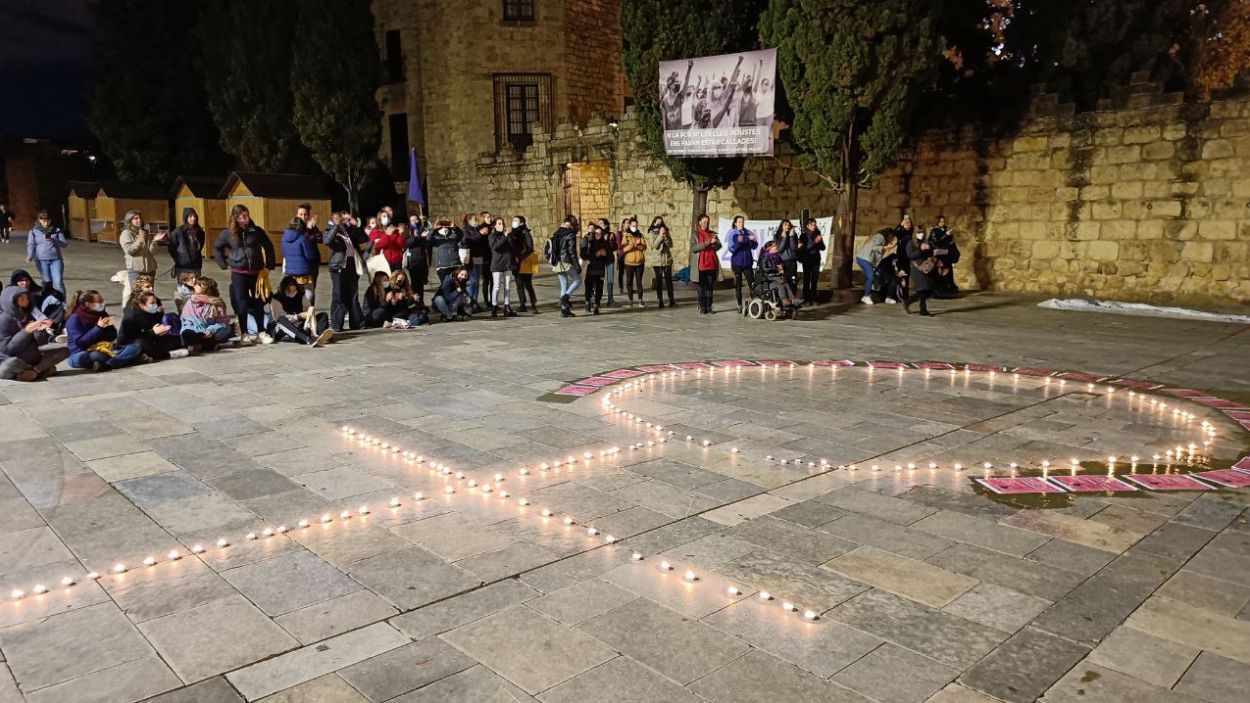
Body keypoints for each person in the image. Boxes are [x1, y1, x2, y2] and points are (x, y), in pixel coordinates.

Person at [214, 204, 276, 345]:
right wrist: (224, 264)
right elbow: (217, 248)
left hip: (257, 273)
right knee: (241, 304)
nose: (246, 218)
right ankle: (244, 334)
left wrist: (269, 267)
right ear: (235, 217)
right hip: (239, 273)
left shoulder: (256, 231)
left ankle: (261, 333)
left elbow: (269, 246)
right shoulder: (228, 233)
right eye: (242, 216)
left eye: (247, 215)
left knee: (258, 303)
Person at [64, 290, 144, 372]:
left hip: (104, 348)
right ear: (88, 304)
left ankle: (108, 364)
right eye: (99, 302)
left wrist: (109, 327)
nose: (102, 303)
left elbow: (111, 337)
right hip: (81, 353)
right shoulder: (74, 319)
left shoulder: (101, 314)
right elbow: (81, 342)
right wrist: (98, 328)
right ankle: (123, 359)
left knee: (135, 347)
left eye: (102, 301)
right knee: (97, 355)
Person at [0, 285, 67, 381]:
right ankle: (40, 371)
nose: (26, 299)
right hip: (13, 361)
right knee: (11, 363)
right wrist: (26, 332)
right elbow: (7, 349)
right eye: (22, 298)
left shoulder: (27, 315)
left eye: (26, 296)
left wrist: (42, 331)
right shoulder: (3, 320)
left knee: (64, 351)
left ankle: (34, 372)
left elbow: (39, 344)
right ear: (11, 301)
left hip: (33, 359)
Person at [324, 211, 367, 332]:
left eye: (346, 219)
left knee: (353, 295)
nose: (343, 221)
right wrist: (336, 227)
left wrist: (355, 226)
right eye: (340, 219)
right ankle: (337, 324)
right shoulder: (330, 229)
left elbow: (364, 239)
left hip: (351, 266)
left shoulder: (349, 231)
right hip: (338, 267)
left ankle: (357, 322)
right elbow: (327, 241)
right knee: (338, 295)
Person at [119, 290, 188, 360]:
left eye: (155, 303)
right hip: (131, 343)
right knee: (141, 344)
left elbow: (156, 325)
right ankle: (167, 354)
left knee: (178, 339)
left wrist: (161, 321)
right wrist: (153, 332)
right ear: (142, 305)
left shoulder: (152, 311)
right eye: (152, 303)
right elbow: (129, 337)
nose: (155, 305)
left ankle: (146, 355)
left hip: (152, 339)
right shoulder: (132, 316)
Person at [269, 276, 333, 346]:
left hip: (299, 325)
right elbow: (278, 318)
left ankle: (320, 336)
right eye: (289, 290)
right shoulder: (276, 299)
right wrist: (298, 316)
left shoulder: (300, 295)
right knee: (282, 320)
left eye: (294, 289)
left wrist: (309, 316)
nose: (293, 292)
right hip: (281, 329)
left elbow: (308, 310)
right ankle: (306, 339)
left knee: (323, 315)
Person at [118, 209, 164, 304]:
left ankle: (148, 316)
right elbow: (130, 251)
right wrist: (140, 240)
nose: (139, 220)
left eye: (140, 218)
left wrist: (155, 241)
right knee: (138, 296)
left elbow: (151, 251)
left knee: (149, 296)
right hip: (136, 270)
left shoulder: (143, 232)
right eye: (136, 218)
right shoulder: (126, 234)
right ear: (129, 220)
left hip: (150, 270)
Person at [179, 276, 234, 352]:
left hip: (210, 332)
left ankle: (201, 345)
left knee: (228, 330)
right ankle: (211, 345)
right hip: (194, 330)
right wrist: (196, 329)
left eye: (198, 285)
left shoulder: (217, 303)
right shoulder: (191, 301)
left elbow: (221, 322)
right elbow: (186, 321)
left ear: (205, 288)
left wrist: (211, 330)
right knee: (186, 334)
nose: (195, 285)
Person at [9, 269, 65, 334]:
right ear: (16, 283)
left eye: (26, 280)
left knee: (60, 306)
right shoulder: (11, 294)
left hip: (42, 316)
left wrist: (52, 291)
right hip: (25, 321)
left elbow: (60, 298)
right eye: (21, 281)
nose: (25, 283)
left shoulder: (35, 290)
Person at [26, 210, 69, 295]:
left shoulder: (57, 230)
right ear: (39, 220)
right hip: (41, 260)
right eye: (44, 221)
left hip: (56, 259)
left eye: (48, 220)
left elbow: (64, 245)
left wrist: (54, 240)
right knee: (47, 281)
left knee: (58, 281)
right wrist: (30, 255)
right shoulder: (33, 231)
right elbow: (31, 244)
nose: (46, 223)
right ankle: (49, 301)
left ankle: (62, 302)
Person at [281, 216, 319, 303]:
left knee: (292, 294)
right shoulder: (303, 238)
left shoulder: (284, 238)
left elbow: (284, 254)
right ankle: (307, 311)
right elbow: (310, 255)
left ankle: (295, 313)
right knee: (309, 293)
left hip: (290, 272)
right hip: (304, 272)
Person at [690, 214, 722, 314]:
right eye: (704, 222)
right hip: (700, 265)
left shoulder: (712, 234)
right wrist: (707, 243)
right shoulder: (695, 234)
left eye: (707, 222)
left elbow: (719, 246)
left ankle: (709, 306)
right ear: (699, 222)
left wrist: (715, 243)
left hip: (711, 264)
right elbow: (693, 248)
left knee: (709, 286)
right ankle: (702, 306)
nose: (706, 223)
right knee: (701, 287)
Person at [550, 216, 581, 318]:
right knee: (578, 280)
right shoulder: (570, 234)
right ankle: (565, 298)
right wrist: (577, 265)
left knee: (564, 285)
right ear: (570, 225)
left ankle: (564, 310)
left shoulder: (557, 233)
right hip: (566, 262)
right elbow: (572, 252)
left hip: (557, 262)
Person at [855, 228, 896, 305]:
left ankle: (870, 295)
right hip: (863, 258)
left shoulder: (883, 241)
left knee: (873, 277)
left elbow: (877, 257)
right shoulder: (879, 237)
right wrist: (885, 247)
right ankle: (866, 296)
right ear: (889, 235)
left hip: (866, 260)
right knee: (870, 277)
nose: (892, 239)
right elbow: (874, 247)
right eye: (892, 237)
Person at [757, 238, 799, 313]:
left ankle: (793, 300)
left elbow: (782, 266)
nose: (777, 247)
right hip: (769, 279)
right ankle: (784, 301)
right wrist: (776, 268)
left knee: (786, 283)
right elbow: (764, 269)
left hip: (777, 276)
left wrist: (782, 268)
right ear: (769, 248)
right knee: (780, 285)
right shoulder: (765, 258)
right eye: (775, 246)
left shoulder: (777, 257)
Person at [488, 217, 519, 318]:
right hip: (497, 264)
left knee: (507, 287)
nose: (501, 225)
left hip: (507, 264)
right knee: (496, 287)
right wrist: (504, 237)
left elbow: (513, 247)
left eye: (502, 223)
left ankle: (507, 307)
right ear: (495, 226)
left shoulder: (506, 235)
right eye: (499, 223)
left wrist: (511, 236)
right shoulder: (492, 236)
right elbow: (495, 247)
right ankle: (494, 307)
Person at [168, 208, 206, 286]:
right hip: (183, 266)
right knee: (183, 290)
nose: (193, 218)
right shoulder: (178, 232)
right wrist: (179, 259)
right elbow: (171, 248)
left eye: (194, 216)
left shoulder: (200, 232)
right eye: (190, 216)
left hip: (196, 265)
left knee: (195, 287)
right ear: (185, 218)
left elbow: (200, 246)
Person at [580, 225, 613, 315]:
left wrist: (606, 254)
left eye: (600, 233)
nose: (598, 234)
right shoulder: (588, 242)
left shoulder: (605, 243)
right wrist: (596, 254)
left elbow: (610, 257)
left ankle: (596, 305)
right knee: (588, 287)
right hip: (589, 268)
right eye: (596, 233)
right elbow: (583, 255)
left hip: (600, 269)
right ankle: (587, 302)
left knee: (599, 288)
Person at [905, 225, 937, 317]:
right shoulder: (911, 243)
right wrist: (920, 249)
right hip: (917, 268)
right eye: (918, 232)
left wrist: (929, 248)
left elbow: (931, 253)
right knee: (922, 289)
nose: (920, 234)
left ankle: (908, 302)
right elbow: (910, 256)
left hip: (926, 267)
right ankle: (923, 310)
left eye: (922, 232)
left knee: (927, 290)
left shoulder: (925, 241)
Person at [726, 215, 755, 311]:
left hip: (747, 262)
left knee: (752, 284)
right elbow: (731, 249)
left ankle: (755, 303)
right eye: (739, 222)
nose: (741, 223)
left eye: (742, 221)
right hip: (737, 263)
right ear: (735, 223)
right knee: (738, 285)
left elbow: (754, 246)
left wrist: (753, 240)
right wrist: (739, 242)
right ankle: (739, 305)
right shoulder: (732, 233)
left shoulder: (748, 232)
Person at [512, 216, 539, 313]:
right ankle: (522, 304)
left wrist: (521, 257)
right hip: (516, 262)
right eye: (513, 220)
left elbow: (530, 248)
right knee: (519, 284)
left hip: (525, 261)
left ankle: (533, 304)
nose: (514, 222)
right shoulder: (512, 233)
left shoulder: (525, 233)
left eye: (516, 221)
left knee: (528, 284)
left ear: (522, 223)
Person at [294, 202, 321, 301]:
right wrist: (309, 229)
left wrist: (313, 228)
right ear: (297, 215)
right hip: (300, 263)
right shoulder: (295, 227)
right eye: (300, 214)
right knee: (300, 290)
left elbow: (320, 239)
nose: (303, 216)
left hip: (313, 263)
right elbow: (299, 241)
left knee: (312, 290)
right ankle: (300, 313)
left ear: (308, 215)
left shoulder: (311, 226)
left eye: (305, 214)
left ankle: (311, 313)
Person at [930, 216, 960, 299]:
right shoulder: (934, 231)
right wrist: (945, 235)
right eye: (941, 222)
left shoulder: (946, 228)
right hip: (939, 255)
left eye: (943, 221)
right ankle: (939, 291)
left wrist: (950, 237)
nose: (942, 223)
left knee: (949, 271)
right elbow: (936, 242)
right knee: (940, 272)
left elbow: (950, 240)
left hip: (947, 255)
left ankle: (949, 288)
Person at [797, 218, 826, 305]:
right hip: (807, 259)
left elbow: (823, 248)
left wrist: (820, 242)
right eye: (811, 225)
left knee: (814, 280)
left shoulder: (817, 233)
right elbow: (805, 248)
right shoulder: (803, 236)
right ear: (807, 226)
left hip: (816, 260)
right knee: (807, 279)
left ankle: (814, 298)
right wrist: (814, 242)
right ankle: (806, 299)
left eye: (815, 224)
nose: (814, 226)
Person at [620, 218, 647, 307]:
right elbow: (623, 248)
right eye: (633, 226)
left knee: (639, 282)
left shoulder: (640, 235)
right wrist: (632, 245)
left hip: (639, 262)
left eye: (636, 226)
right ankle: (630, 300)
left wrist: (639, 245)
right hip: (629, 262)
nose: (634, 227)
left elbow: (644, 247)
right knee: (629, 282)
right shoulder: (626, 235)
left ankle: (640, 300)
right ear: (630, 226)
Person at [648, 223, 676, 308]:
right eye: (657, 222)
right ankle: (660, 300)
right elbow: (655, 246)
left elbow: (670, 245)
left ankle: (671, 300)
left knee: (669, 281)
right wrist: (660, 236)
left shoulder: (666, 233)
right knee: (659, 281)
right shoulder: (652, 233)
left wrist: (665, 237)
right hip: (657, 261)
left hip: (666, 260)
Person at [403, 216, 430, 299]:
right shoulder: (407, 229)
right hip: (412, 260)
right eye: (412, 220)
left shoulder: (422, 228)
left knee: (421, 283)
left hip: (421, 259)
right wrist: (419, 237)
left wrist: (425, 237)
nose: (414, 221)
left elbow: (427, 244)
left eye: (416, 219)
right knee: (414, 282)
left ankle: (421, 301)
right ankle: (415, 301)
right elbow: (408, 243)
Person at [430, 218, 463, 283]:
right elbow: (428, 238)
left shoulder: (453, 236)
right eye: (442, 224)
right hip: (442, 267)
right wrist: (434, 229)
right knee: (446, 286)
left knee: (457, 286)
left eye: (446, 224)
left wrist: (454, 227)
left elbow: (461, 234)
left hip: (455, 265)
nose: (444, 226)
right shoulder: (436, 238)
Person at [774, 219, 799, 295]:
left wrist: (791, 237)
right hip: (782, 262)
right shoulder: (777, 236)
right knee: (784, 281)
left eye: (788, 225)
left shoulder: (793, 235)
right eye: (785, 225)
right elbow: (779, 249)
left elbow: (794, 248)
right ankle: (785, 300)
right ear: (781, 226)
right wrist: (784, 238)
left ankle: (793, 299)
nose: (787, 226)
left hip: (792, 261)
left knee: (793, 281)